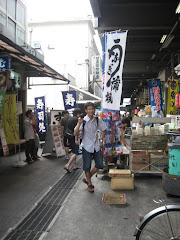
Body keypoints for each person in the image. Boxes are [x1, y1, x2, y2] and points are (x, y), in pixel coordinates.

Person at [74, 102, 107, 193]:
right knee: (87, 166)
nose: (91, 110)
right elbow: (75, 134)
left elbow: (104, 130)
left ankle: (87, 178)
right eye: (89, 109)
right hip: (86, 146)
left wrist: (101, 140)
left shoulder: (97, 119)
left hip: (96, 145)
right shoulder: (83, 121)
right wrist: (79, 124)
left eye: (92, 109)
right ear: (86, 111)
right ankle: (89, 183)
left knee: (99, 164)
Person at [64, 108, 82, 172]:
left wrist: (67, 140)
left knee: (73, 151)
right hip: (74, 137)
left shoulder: (69, 119)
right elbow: (76, 131)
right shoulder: (76, 120)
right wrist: (76, 139)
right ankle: (67, 165)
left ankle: (75, 165)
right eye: (80, 114)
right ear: (77, 114)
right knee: (76, 152)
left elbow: (67, 129)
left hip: (69, 137)